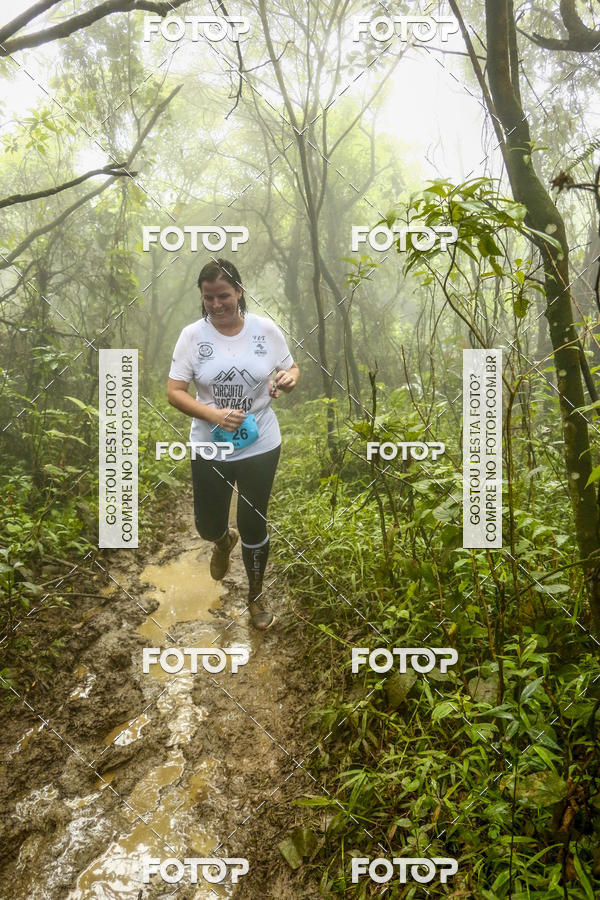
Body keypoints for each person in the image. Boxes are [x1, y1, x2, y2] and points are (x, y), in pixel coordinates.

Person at [167, 258, 299, 630]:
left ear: (239, 292)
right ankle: (222, 541)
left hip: (261, 443)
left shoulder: (265, 330)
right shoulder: (192, 336)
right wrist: (213, 415)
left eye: (223, 295)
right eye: (208, 298)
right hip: (211, 445)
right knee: (207, 525)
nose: (216, 304)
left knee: (254, 522)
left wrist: (287, 378)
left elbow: (291, 368)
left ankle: (255, 596)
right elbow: (174, 392)